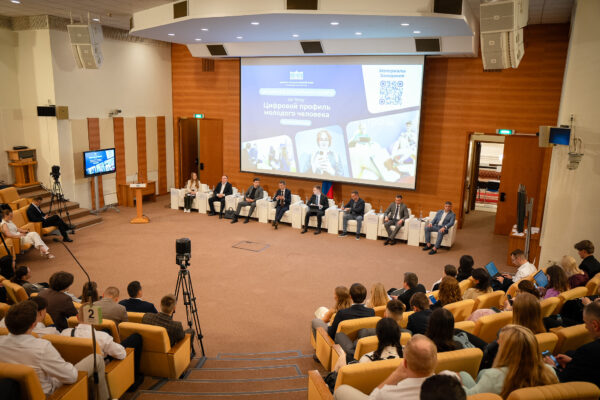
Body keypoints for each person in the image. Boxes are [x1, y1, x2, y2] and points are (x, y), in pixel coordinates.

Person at [0, 301, 111, 399]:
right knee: (97, 359)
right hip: (52, 394)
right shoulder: (42, 347)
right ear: (34, 324)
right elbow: (71, 377)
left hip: (18, 393)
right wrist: (68, 365)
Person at [461, 325, 557, 397]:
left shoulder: (494, 377)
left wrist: (458, 382)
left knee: (462, 376)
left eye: (500, 343)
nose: (497, 343)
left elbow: (470, 397)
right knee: (478, 373)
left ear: (507, 350)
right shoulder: (550, 371)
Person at [62, 308, 144, 390]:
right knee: (136, 338)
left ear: (77, 317)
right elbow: (122, 354)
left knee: (106, 331)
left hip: (76, 367)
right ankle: (134, 380)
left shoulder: (64, 333)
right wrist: (114, 345)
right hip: (102, 369)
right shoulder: (102, 337)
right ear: (97, 318)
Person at [334, 334, 437, 400]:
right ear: (435, 362)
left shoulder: (389, 394)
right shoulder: (446, 382)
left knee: (341, 389)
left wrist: (396, 374)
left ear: (405, 363)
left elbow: (373, 397)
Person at [480, 293, 546, 370]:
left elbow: (490, 354)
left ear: (518, 313)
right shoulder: (543, 334)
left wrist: (506, 310)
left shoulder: (508, 334)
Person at [546, 301, 600, 388]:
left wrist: (551, 367)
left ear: (595, 325)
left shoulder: (588, 351)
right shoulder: (588, 353)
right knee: (569, 353)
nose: (586, 327)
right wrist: (573, 361)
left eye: (585, 323)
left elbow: (563, 380)